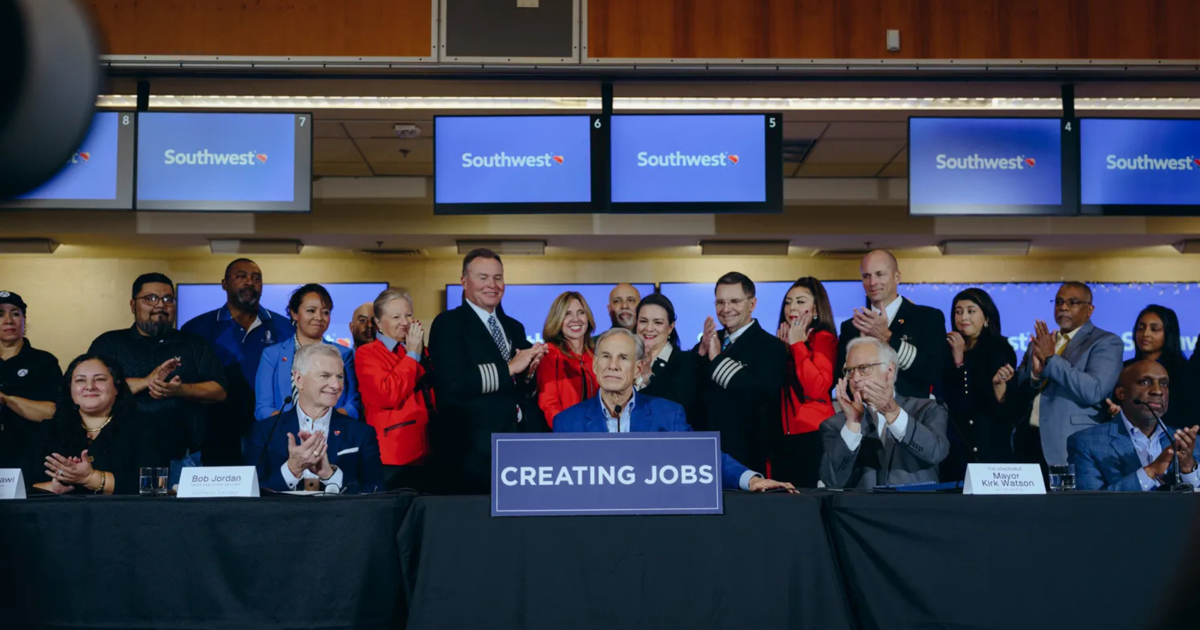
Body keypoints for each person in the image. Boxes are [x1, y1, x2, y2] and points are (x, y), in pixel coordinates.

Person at [553, 328, 795, 493]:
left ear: (638, 368)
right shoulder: (566, 423)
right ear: (595, 365)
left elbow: (703, 457)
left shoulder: (667, 415)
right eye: (605, 357)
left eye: (623, 358)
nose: (613, 366)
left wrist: (751, 479)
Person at [429, 248, 548, 492]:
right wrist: (511, 368)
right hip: (470, 454)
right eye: (483, 277)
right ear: (464, 281)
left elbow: (520, 387)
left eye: (498, 277)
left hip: (516, 450)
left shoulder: (514, 327)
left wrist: (529, 372)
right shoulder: (448, 324)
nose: (492, 285)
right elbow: (454, 382)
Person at [89, 273, 226, 467]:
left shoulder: (194, 344)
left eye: (168, 299)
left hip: (183, 457)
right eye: (150, 298)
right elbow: (92, 389)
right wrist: (146, 382)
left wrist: (180, 390)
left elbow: (219, 391)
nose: (160, 305)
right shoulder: (109, 343)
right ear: (132, 305)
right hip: (120, 455)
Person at [181, 259, 292, 465]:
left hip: (272, 431)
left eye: (256, 278)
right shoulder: (196, 328)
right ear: (224, 284)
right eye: (241, 276)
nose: (250, 282)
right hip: (212, 434)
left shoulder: (285, 328)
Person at [1010, 282, 1123, 467]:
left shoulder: (1106, 342)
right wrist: (1035, 376)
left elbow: (1093, 391)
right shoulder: (1039, 343)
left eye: (1072, 302)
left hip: (1069, 443)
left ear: (1090, 310)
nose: (1063, 307)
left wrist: (1051, 358)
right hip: (1028, 440)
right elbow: (1020, 387)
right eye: (1059, 302)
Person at [246, 343, 384, 493]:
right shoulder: (265, 431)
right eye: (325, 376)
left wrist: (330, 475)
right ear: (298, 379)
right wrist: (291, 471)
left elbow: (375, 492)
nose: (336, 385)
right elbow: (251, 492)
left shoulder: (361, 433)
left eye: (339, 376)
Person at [819, 336, 950, 489]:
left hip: (917, 509)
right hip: (865, 511)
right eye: (849, 370)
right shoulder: (836, 425)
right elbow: (832, 481)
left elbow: (936, 452)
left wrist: (893, 413)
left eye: (864, 368)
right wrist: (853, 424)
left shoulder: (926, 409)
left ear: (889, 370)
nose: (855, 378)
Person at [693, 272, 787, 473]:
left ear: (752, 304)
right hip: (705, 455)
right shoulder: (707, 341)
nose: (726, 309)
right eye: (720, 302)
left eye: (734, 301)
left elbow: (759, 393)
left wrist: (717, 360)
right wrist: (701, 354)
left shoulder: (771, 347)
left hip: (748, 456)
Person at [33, 354, 161, 495]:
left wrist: (91, 479)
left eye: (99, 379)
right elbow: (18, 485)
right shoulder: (48, 430)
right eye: (80, 380)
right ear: (69, 389)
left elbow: (155, 486)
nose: (89, 387)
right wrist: (54, 487)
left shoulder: (146, 426)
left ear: (117, 387)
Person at [1069, 360, 1199, 491]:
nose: (1157, 391)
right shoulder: (1087, 443)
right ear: (1121, 393)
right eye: (1145, 382)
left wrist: (1188, 467)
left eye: (1163, 384)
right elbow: (1090, 505)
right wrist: (1150, 471)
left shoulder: (1191, 443)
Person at [835, 250, 946, 399]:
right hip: (866, 417)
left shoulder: (926, 317)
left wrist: (888, 338)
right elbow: (842, 379)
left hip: (913, 416)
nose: (872, 282)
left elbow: (933, 372)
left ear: (897, 277)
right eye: (866, 276)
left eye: (880, 274)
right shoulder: (852, 326)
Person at [355, 289, 432, 490]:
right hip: (394, 456)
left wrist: (417, 353)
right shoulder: (367, 353)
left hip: (428, 451)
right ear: (379, 323)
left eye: (408, 315)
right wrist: (412, 355)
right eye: (396, 317)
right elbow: (388, 395)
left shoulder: (421, 350)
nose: (405, 322)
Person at [939, 288, 1019, 480]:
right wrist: (956, 358)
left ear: (986, 318)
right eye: (958, 312)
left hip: (987, 442)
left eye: (970, 311)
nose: (963, 317)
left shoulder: (1000, 349)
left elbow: (982, 401)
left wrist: (960, 364)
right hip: (952, 442)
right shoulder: (945, 348)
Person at [255, 284, 359, 421]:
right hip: (285, 436)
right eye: (311, 311)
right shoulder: (272, 355)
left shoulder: (344, 354)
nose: (319, 317)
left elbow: (354, 405)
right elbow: (263, 409)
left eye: (325, 312)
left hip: (333, 435)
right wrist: (292, 425)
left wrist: (328, 421)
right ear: (294, 313)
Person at [774, 277, 837, 487]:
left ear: (816, 308)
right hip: (784, 436)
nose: (792, 307)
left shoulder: (823, 338)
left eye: (800, 302)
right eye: (788, 302)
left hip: (813, 435)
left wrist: (798, 345)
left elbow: (817, 388)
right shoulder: (786, 339)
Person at [0, 291, 61, 487]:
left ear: (24, 320)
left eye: (15, 313)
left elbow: (55, 411)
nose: (8, 320)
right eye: (0, 314)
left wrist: (7, 400)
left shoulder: (44, 362)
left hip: (32, 458)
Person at [1106, 305, 1194, 425]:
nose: (1145, 334)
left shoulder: (1183, 372)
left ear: (1169, 333)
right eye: (1141, 328)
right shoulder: (1124, 368)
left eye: (1154, 329)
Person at [536, 291, 598, 427]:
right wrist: (567, 433)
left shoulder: (596, 355)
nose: (575, 319)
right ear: (557, 319)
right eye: (567, 314)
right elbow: (549, 403)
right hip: (564, 435)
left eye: (581, 312)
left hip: (596, 435)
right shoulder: (549, 353)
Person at [633, 293, 697, 419]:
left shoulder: (685, 362)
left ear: (670, 327)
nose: (649, 328)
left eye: (658, 322)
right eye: (643, 321)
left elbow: (676, 408)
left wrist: (647, 377)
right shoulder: (626, 360)